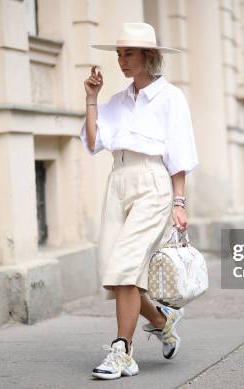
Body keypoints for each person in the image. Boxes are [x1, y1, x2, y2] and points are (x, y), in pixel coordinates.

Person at [79, 22, 199, 380]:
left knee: (127, 265)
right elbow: (92, 141)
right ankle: (163, 320)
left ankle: (122, 351)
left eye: (128, 53)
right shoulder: (117, 102)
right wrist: (91, 99)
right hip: (118, 180)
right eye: (118, 54)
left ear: (149, 56)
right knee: (117, 276)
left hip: (153, 183)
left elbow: (179, 154)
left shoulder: (171, 98)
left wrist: (179, 202)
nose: (121, 61)